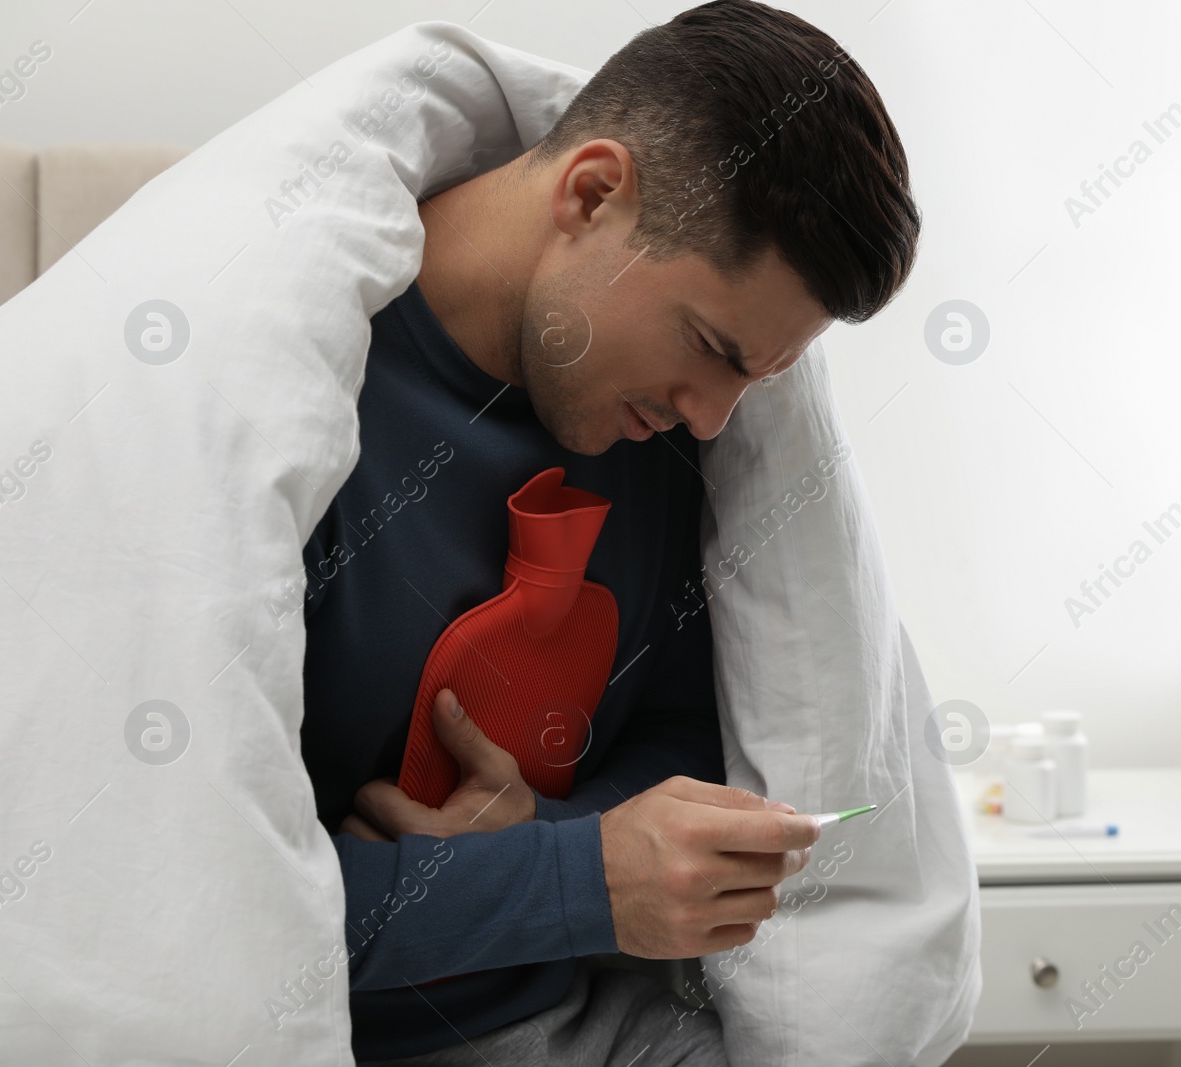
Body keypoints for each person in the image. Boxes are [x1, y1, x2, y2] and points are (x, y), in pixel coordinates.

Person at [297, 1, 920, 1062]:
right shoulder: (293, 413)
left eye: (759, 377)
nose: (715, 416)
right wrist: (567, 878)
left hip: (589, 1015)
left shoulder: (660, 427)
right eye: (714, 347)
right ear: (590, 192)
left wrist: (548, 841)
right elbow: (191, 895)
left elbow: (689, 733)